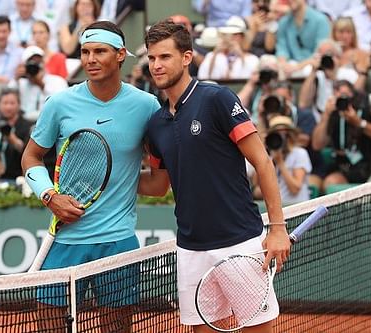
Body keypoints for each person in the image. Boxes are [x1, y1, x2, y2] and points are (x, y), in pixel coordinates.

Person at [142, 20, 291, 333]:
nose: (157, 65)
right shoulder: (156, 124)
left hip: (239, 242)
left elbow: (263, 162)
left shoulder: (217, 99)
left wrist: (277, 228)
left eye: (165, 57)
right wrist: (115, 179)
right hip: (191, 247)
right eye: (152, 58)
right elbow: (158, 186)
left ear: (187, 57)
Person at [21, 20, 160, 332]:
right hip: (65, 240)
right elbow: (30, 157)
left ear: (121, 54)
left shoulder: (146, 106)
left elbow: (158, 183)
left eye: (100, 51)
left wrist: (122, 183)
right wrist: (49, 196)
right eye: (85, 52)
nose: (90, 59)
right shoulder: (59, 103)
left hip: (118, 242)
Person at [311, 80, 371, 192]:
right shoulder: (333, 113)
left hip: (366, 165)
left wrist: (359, 122)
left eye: (346, 95)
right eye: (339, 96)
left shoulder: (366, 109)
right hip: (340, 165)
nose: (343, 100)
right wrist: (326, 116)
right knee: (324, 183)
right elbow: (317, 145)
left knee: (331, 182)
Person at [251, 115, 312, 205]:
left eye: (283, 133)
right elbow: (256, 188)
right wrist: (262, 150)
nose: (280, 137)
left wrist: (280, 163)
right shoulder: (269, 157)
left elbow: (295, 189)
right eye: (276, 133)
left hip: (297, 207)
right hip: (278, 208)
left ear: (289, 135)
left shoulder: (300, 153)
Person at [10, 45, 68, 122]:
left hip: (50, 121)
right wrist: (16, 78)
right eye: (32, 63)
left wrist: (41, 84)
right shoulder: (21, 82)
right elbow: (8, 97)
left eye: (38, 62)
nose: (36, 66)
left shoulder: (57, 81)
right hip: (25, 123)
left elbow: (61, 104)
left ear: (44, 62)